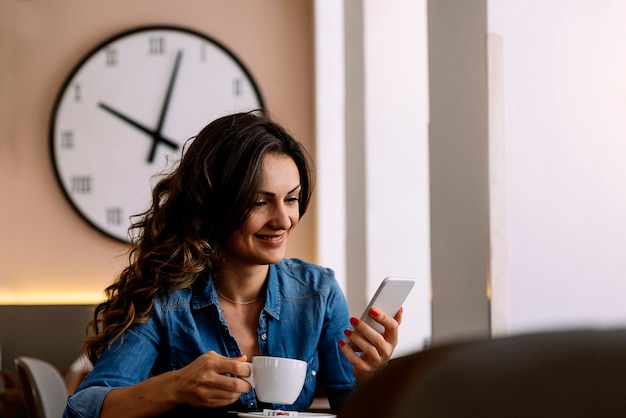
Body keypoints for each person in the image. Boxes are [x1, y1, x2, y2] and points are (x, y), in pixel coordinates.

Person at [63, 111, 403, 418]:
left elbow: (351, 406)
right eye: (259, 202)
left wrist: (373, 378)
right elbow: (82, 409)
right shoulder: (166, 299)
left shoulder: (318, 292)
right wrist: (176, 386)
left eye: (292, 199)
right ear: (212, 204)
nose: (283, 220)